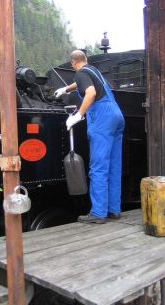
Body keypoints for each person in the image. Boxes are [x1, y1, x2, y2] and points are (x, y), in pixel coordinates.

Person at [55, 50, 125, 224]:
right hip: (116, 114)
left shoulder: (80, 74)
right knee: (113, 165)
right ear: (84, 60)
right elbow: (82, 84)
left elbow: (91, 93)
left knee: (99, 167)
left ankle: (98, 213)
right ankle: (113, 210)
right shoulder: (93, 70)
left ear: (73, 63)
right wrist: (65, 89)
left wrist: (78, 115)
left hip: (102, 117)